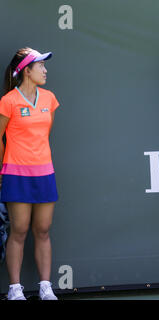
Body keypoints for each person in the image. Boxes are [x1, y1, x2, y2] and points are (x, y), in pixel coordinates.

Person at [0, 48, 60, 300]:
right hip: (15, 174)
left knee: (43, 230)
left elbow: (44, 135)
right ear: (27, 70)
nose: (45, 70)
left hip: (45, 172)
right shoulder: (8, 101)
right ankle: (15, 290)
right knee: (19, 230)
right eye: (41, 66)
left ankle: (45, 287)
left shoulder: (49, 99)